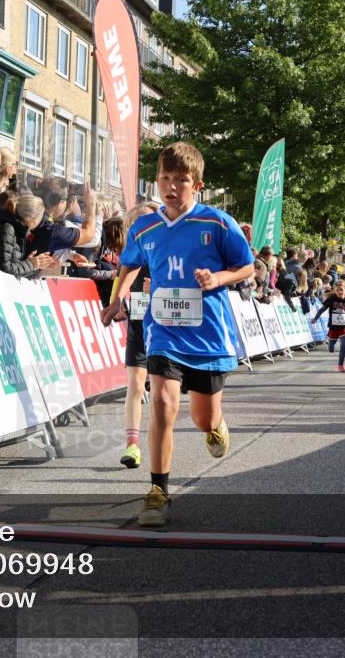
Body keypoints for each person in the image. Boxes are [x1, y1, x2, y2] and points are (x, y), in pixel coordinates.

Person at [100, 142, 255, 527]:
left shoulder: (218, 223)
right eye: (165, 178)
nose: (171, 187)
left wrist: (217, 278)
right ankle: (158, 492)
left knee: (204, 419)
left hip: (208, 337)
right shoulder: (144, 226)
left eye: (181, 180)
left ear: (197, 185)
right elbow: (129, 264)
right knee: (162, 403)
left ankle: (216, 425)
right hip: (163, 333)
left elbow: (247, 267)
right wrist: (116, 299)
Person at [113, 202, 158, 469]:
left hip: (169, 323)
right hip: (140, 316)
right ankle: (132, 445)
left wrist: (161, 287)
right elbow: (122, 278)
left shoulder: (171, 246)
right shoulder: (131, 251)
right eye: (138, 222)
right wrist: (116, 302)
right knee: (136, 384)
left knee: (164, 389)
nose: (145, 227)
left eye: (150, 220)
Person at [312, 280, 345, 372]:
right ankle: (331, 343)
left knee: (344, 345)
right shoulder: (331, 299)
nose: (339, 292)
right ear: (335, 291)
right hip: (333, 327)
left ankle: (340, 365)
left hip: (344, 326)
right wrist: (316, 318)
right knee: (331, 347)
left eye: (341, 290)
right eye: (337, 290)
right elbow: (322, 309)